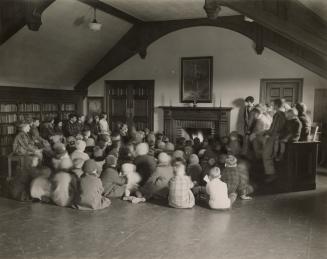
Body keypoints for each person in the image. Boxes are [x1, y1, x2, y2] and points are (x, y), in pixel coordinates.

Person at [262, 99, 286, 183]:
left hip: (275, 137)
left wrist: (265, 132)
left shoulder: (278, 114)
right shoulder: (284, 113)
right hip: (279, 136)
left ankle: (272, 174)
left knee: (266, 154)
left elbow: (274, 129)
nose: (272, 107)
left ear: (276, 105)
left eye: (273, 105)